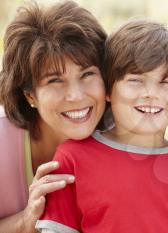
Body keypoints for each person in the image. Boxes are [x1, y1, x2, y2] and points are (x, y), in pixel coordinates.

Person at [35, 19, 168, 233]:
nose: (151, 93)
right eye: (136, 80)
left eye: (165, 83)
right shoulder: (72, 159)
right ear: (108, 90)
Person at [0, 1, 107, 232]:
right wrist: (26, 220)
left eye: (87, 74)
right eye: (55, 80)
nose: (76, 96)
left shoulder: (123, 138)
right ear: (30, 95)